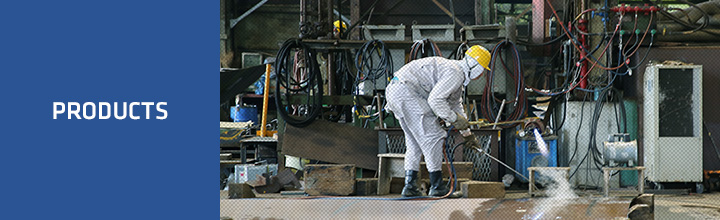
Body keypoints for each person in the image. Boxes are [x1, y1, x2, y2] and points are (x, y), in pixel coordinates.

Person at [385, 45, 492, 197]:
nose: (482, 76)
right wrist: (454, 119)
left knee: (415, 143)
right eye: (482, 71)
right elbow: (435, 101)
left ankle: (410, 187)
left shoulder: (456, 74)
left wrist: (468, 134)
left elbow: (455, 105)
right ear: (475, 66)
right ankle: (437, 186)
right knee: (434, 136)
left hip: (397, 91)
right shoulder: (455, 73)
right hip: (406, 92)